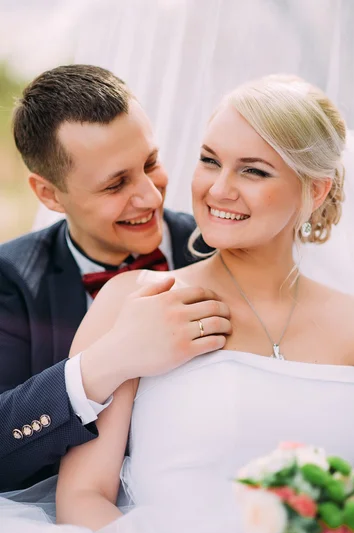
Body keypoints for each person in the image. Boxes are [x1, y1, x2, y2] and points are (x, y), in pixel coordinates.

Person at [1, 74, 354, 533]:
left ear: (316, 188)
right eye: (209, 160)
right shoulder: (129, 298)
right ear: (49, 194)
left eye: (253, 170)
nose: (217, 188)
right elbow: (83, 494)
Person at [0, 64, 230, 492]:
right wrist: (107, 362)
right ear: (49, 194)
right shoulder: (11, 278)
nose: (151, 195)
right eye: (115, 184)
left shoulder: (221, 249)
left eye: (151, 163)